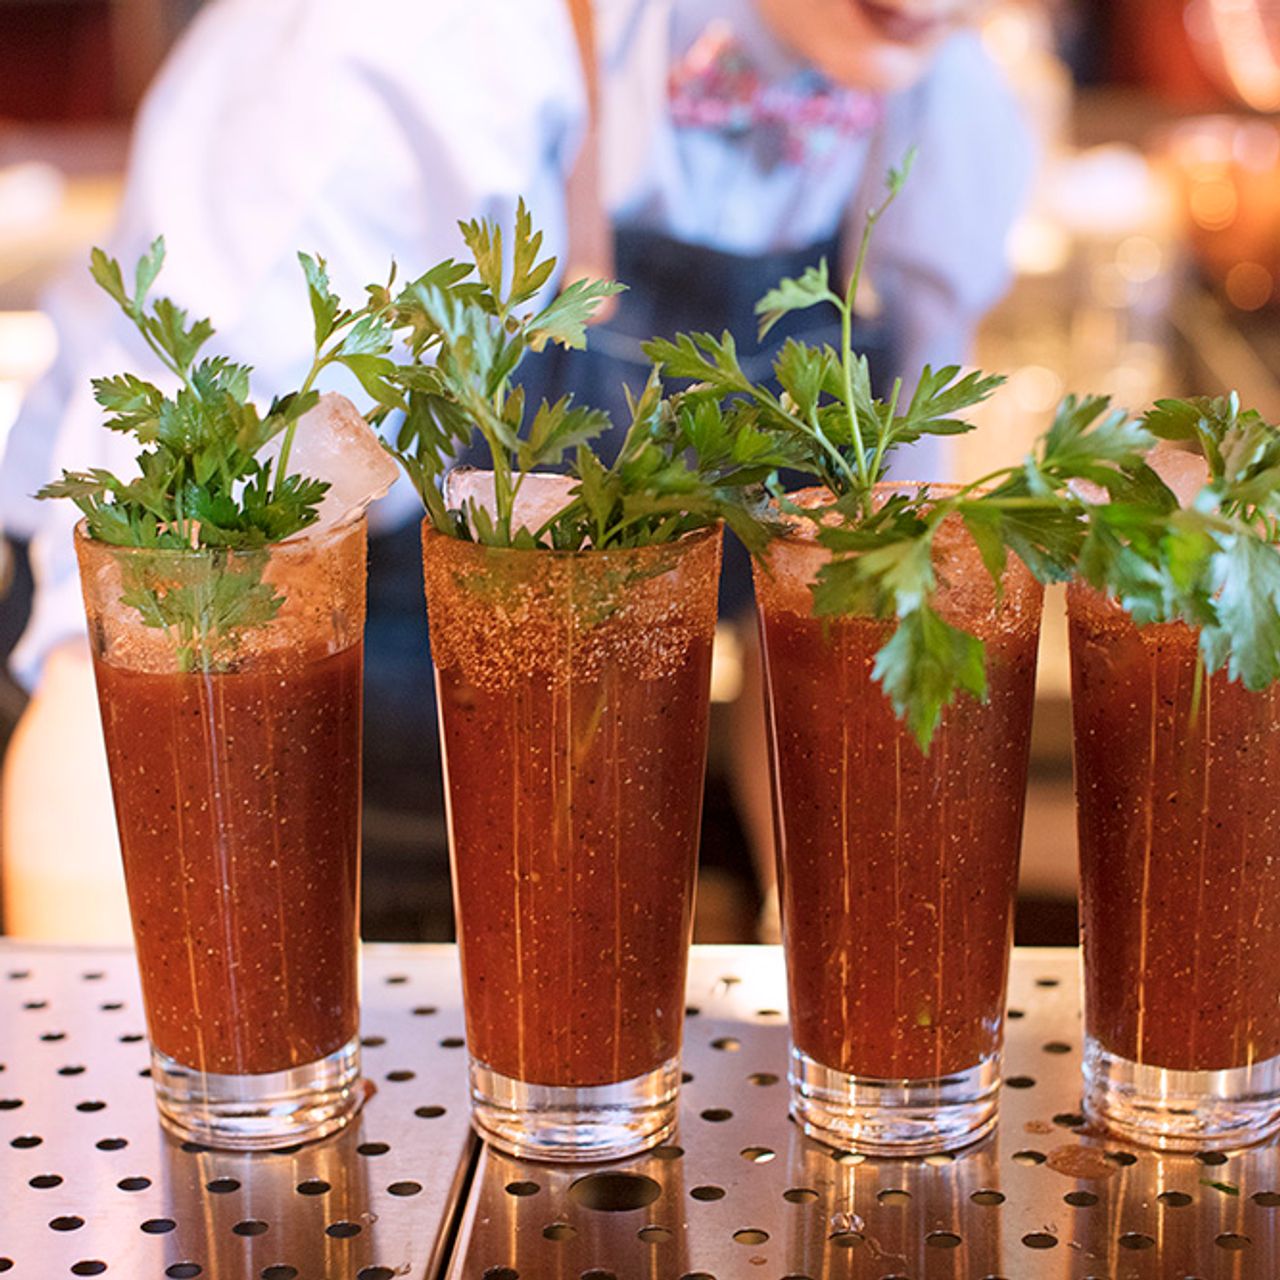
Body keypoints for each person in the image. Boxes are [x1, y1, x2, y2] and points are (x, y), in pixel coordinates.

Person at [0, 0, 1030, 941]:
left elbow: (837, 608)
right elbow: (136, 656)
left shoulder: (942, 108)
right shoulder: (403, 51)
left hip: (584, 867)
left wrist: (821, 974)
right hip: (260, 830)